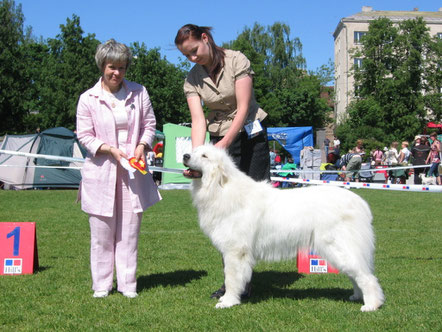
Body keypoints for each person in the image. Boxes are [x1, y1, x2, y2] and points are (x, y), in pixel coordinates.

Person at [175, 24, 271, 299]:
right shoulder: (192, 79)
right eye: (186, 56)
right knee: (224, 214)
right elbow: (198, 120)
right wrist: (197, 159)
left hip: (249, 136)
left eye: (194, 51)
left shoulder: (237, 60)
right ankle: (233, 283)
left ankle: (247, 276)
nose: (193, 58)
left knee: (253, 208)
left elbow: (243, 108)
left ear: (205, 39)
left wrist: (223, 146)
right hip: (217, 144)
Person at [76, 39, 162, 299]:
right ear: (102, 66)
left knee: (130, 231)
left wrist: (142, 145)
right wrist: (109, 150)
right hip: (101, 172)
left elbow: (149, 124)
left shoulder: (139, 92)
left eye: (122, 68)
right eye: (112, 67)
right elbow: (84, 135)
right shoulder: (87, 99)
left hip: (133, 173)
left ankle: (128, 284)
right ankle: (102, 286)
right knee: (101, 233)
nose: (117, 73)